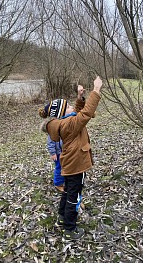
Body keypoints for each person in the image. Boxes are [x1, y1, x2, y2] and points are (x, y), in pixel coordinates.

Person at [41, 76, 103, 242]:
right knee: (74, 196)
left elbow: (77, 113)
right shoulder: (69, 124)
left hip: (70, 163)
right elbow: (85, 114)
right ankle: (69, 228)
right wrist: (96, 90)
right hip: (77, 164)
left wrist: (79, 98)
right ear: (63, 113)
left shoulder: (63, 122)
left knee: (68, 191)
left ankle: (62, 216)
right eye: (67, 106)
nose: (71, 107)